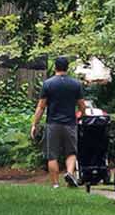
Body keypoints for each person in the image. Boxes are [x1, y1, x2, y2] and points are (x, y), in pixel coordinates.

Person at [32, 55, 87, 187]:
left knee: (52, 155)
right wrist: (82, 115)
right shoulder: (76, 84)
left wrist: (34, 124)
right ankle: (69, 173)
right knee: (71, 152)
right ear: (67, 68)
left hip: (53, 124)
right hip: (70, 124)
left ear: (55, 67)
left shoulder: (48, 84)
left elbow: (41, 106)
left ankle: (55, 184)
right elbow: (82, 105)